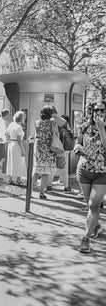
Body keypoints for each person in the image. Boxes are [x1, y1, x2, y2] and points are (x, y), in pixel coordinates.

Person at [76, 102, 106, 253]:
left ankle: (85, 239)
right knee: (89, 205)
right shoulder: (84, 126)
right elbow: (78, 142)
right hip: (84, 170)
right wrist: (77, 148)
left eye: (102, 110)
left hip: (102, 172)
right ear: (91, 111)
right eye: (96, 110)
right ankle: (96, 225)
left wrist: (101, 128)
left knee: (94, 205)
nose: (99, 112)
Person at [31, 105, 64, 200]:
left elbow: (35, 135)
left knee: (36, 171)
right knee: (46, 172)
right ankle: (41, 192)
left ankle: (30, 191)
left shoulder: (37, 122)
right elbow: (56, 134)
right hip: (49, 149)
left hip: (39, 149)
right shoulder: (53, 123)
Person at [47, 114, 74, 193]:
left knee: (51, 167)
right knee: (63, 168)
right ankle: (66, 186)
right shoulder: (67, 126)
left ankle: (49, 186)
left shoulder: (53, 123)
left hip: (54, 148)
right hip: (63, 150)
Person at [5, 111, 26, 185]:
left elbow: (6, 133)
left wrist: (8, 140)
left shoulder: (11, 124)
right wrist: (23, 149)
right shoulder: (19, 127)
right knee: (18, 162)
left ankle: (10, 179)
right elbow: (19, 140)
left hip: (11, 144)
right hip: (17, 144)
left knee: (10, 162)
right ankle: (18, 179)